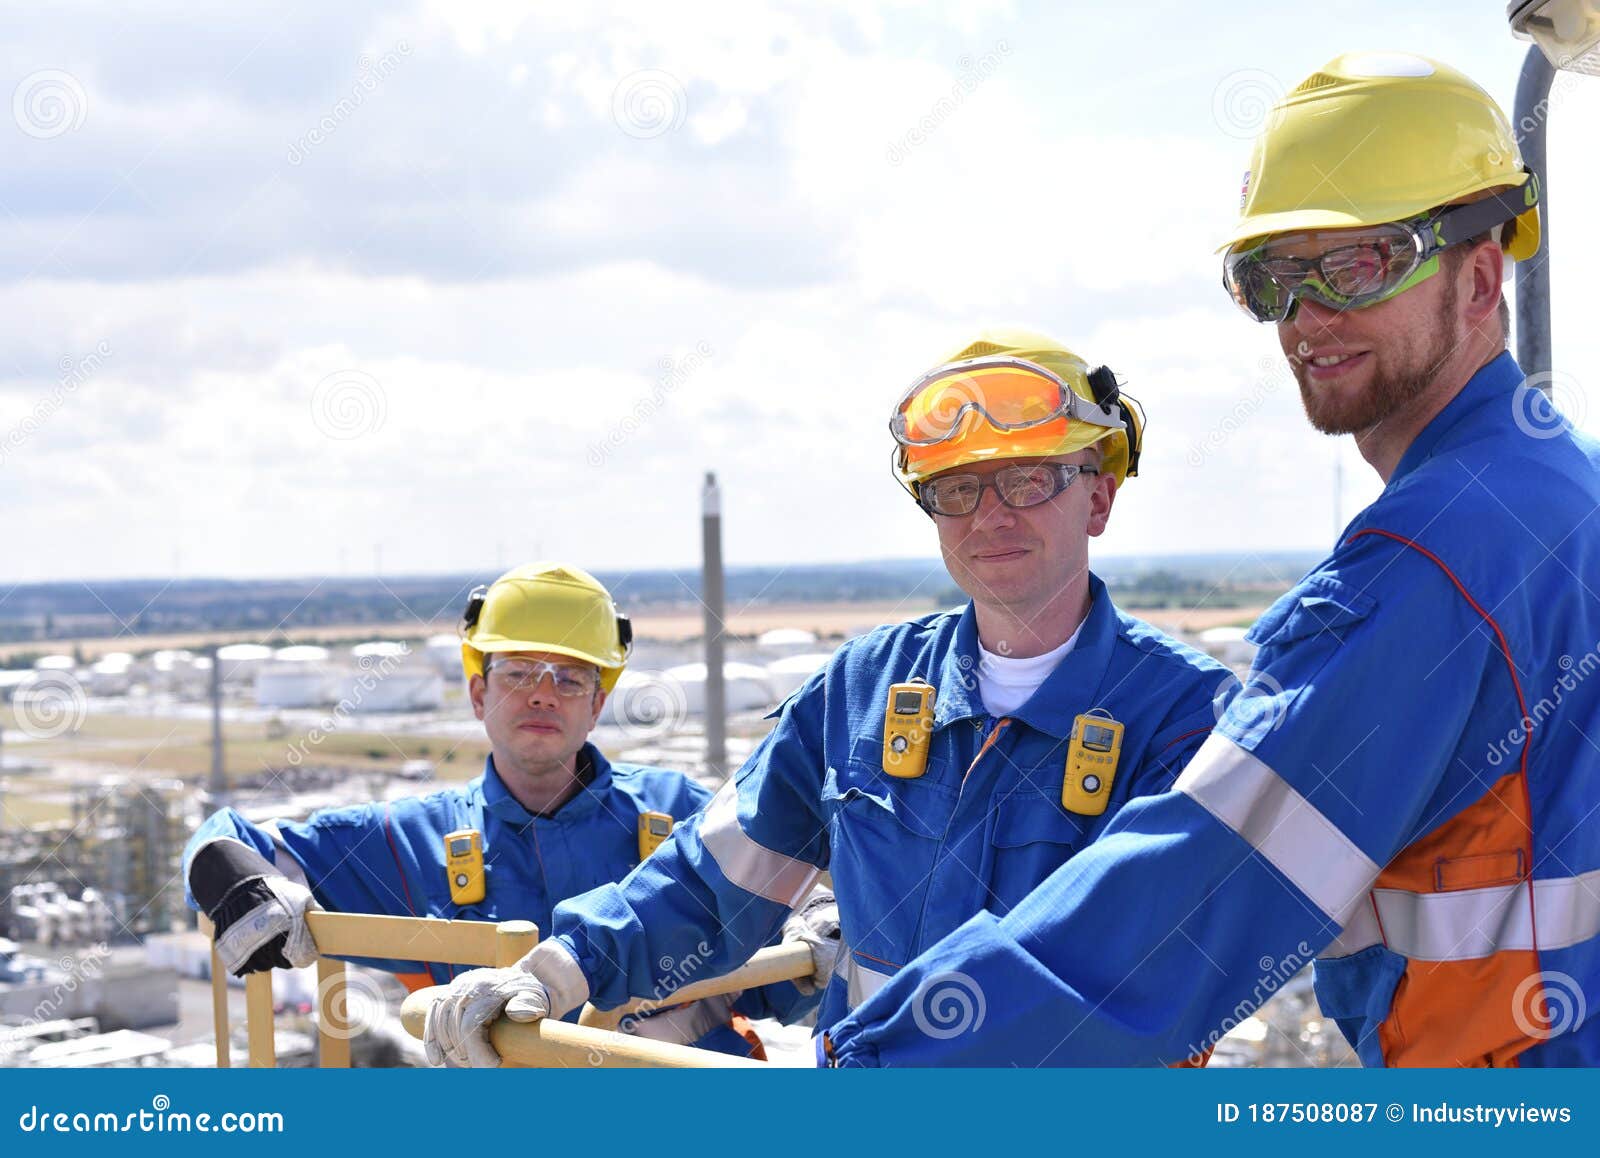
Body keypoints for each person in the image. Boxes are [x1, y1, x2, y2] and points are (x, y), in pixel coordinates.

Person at [804, 51, 1597, 1067]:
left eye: (1355, 266)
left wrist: (888, 1071)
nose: (1307, 319)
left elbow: (1206, 892)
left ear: (1480, 274)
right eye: (1273, 279)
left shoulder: (1438, 555)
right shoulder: (1563, 488)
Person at [420, 328, 1232, 1067]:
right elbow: (715, 878)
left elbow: (1117, 975)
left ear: (1099, 494)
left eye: (1028, 479)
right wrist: (562, 968)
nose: (991, 515)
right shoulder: (864, 693)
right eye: (959, 489)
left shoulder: (1186, 721)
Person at [183, 562, 828, 1059]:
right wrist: (240, 885)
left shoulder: (682, 817)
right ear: (477, 693)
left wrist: (823, 927)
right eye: (519, 672)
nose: (544, 695)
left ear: (596, 706)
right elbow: (235, 841)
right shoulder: (410, 845)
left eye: (571, 678)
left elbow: (790, 950)